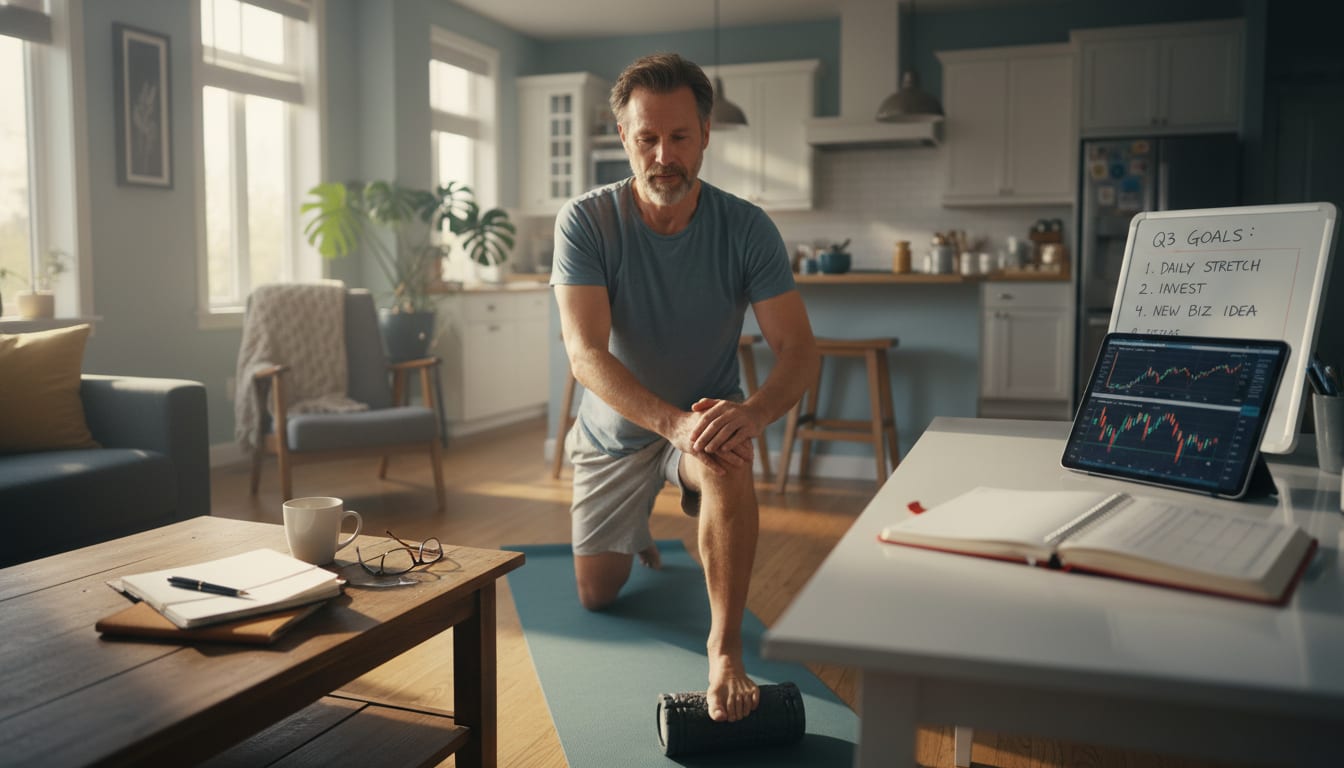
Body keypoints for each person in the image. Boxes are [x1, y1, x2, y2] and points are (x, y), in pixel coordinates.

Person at [550, 52, 819, 724]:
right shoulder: (586, 221)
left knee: (727, 460)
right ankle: (638, 522)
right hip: (616, 433)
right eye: (647, 138)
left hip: (702, 420)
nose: (663, 155)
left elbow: (798, 347)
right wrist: (668, 424)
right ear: (624, 139)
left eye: (679, 137)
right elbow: (584, 353)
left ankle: (724, 649)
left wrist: (751, 414)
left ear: (705, 136)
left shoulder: (747, 226)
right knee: (597, 595)